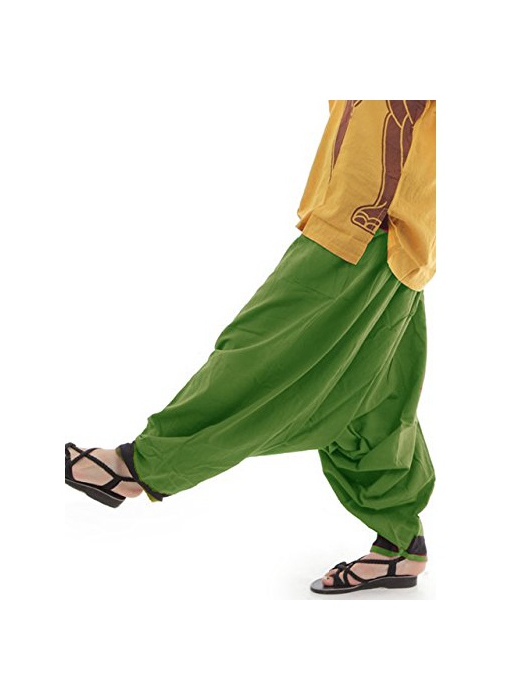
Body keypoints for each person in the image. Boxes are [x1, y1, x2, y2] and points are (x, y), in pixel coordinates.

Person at [65, 99, 437, 595]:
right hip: (393, 225)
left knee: (262, 351)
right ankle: (400, 540)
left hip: (368, 221)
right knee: (370, 397)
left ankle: (134, 467)